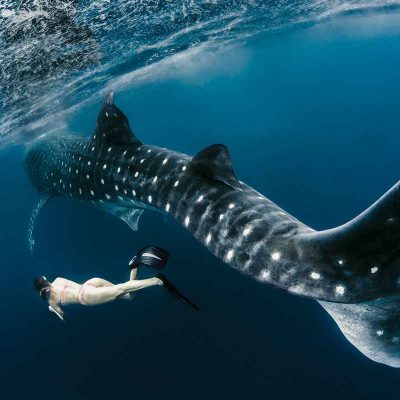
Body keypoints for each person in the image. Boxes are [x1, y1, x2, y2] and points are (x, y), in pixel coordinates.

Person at [33, 246, 198, 321]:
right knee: (128, 297)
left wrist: (52, 310)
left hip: (87, 297)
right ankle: (134, 267)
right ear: (45, 279)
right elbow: (53, 286)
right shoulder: (58, 279)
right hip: (90, 283)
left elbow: (64, 317)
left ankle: (157, 281)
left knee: (122, 288)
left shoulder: (52, 301)